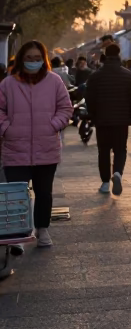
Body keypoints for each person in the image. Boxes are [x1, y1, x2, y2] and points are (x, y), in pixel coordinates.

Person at [0, 41, 73, 247]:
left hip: (46, 148)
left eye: (37, 58)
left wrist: (54, 125)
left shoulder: (54, 81)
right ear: (21, 59)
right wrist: (7, 128)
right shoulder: (8, 84)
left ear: (44, 60)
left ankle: (43, 230)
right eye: (29, 58)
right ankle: (18, 234)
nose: (33, 62)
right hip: (15, 149)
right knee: (16, 193)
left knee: (44, 193)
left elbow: (65, 108)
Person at [86, 43, 131, 196]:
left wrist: (93, 116)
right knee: (120, 150)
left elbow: (90, 99)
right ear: (119, 54)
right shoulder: (127, 75)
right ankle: (117, 173)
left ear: (105, 54)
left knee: (103, 151)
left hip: (102, 120)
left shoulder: (96, 75)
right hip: (121, 121)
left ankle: (104, 183)